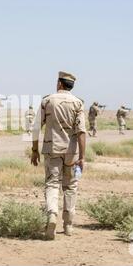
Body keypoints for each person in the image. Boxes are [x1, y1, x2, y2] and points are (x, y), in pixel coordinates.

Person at [31, 71, 86, 240]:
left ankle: (52, 215)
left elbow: (35, 128)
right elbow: (82, 131)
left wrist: (34, 150)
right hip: (71, 152)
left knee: (52, 184)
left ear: (59, 84)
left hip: (52, 149)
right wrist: (82, 156)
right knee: (70, 186)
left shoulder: (47, 101)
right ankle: (68, 224)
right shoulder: (78, 103)